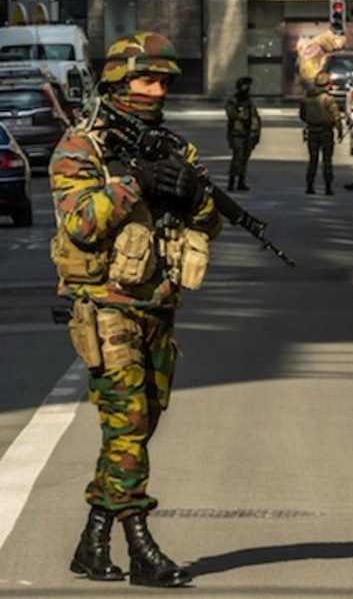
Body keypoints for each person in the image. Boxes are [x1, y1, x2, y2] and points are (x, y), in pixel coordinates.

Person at [49, 32, 223, 588]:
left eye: (164, 81)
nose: (156, 90)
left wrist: (194, 198)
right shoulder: (82, 150)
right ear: (117, 83)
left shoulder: (173, 147)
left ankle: (92, 541)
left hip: (158, 305)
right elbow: (81, 222)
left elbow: (209, 220)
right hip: (107, 308)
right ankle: (142, 547)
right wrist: (135, 184)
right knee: (128, 426)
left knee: (139, 427)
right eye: (145, 80)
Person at [299, 71, 343, 195]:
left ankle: (310, 185)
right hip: (325, 132)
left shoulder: (307, 98)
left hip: (312, 131)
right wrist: (339, 130)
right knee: (327, 160)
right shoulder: (328, 99)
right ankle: (328, 187)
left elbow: (302, 115)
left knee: (313, 160)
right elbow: (336, 116)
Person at [225, 75, 261, 191]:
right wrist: (243, 113)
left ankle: (241, 181)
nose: (247, 89)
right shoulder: (233, 102)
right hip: (237, 134)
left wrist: (256, 131)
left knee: (245, 158)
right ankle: (231, 182)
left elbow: (255, 117)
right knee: (237, 158)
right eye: (245, 86)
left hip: (248, 134)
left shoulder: (249, 102)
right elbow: (233, 115)